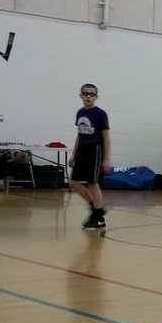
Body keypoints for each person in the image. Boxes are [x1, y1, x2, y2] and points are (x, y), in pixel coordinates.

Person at [69, 83, 110, 229]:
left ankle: (98, 218)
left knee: (93, 183)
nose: (88, 96)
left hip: (95, 150)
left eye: (91, 94)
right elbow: (80, 135)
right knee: (74, 182)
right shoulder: (80, 113)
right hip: (83, 150)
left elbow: (106, 137)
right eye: (85, 93)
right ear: (80, 95)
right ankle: (97, 209)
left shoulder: (100, 114)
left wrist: (106, 159)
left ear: (96, 97)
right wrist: (73, 154)